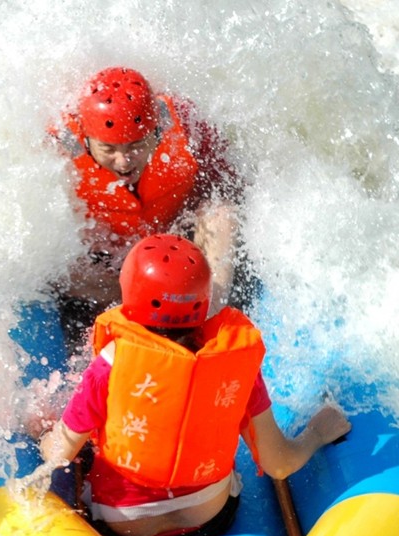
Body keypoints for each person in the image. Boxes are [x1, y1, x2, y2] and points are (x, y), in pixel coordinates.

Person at [29, 234, 351, 536]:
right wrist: (316, 435)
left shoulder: (110, 364)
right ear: (204, 298)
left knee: (71, 439)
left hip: (123, 527)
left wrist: (43, 432)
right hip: (210, 515)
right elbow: (279, 464)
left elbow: (58, 455)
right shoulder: (233, 363)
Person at [47, 66, 251, 353]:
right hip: (104, 269)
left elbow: (228, 187)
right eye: (108, 149)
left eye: (137, 145)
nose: (123, 162)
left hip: (177, 256)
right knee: (54, 271)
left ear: (154, 129)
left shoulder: (184, 123)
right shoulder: (57, 148)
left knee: (222, 215)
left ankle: (206, 323)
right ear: (86, 138)